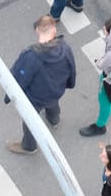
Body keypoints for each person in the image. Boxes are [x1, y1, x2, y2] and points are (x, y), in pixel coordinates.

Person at [7, 15, 77, 153]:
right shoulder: (65, 48)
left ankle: (29, 146)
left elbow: (20, 78)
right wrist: (69, 84)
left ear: (37, 30)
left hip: (35, 97)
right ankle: (54, 119)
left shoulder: (31, 56)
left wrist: (9, 96)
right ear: (54, 31)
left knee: (30, 121)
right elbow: (72, 68)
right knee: (52, 103)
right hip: (56, 90)